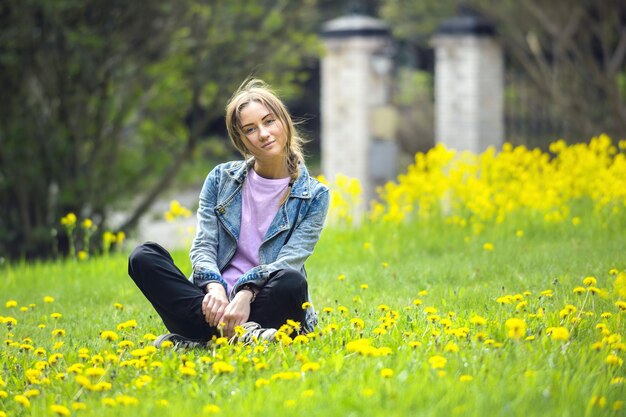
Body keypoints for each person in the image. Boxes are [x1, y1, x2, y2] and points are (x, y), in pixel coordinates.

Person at [128, 78, 329, 347]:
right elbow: (204, 245)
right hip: (211, 305)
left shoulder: (315, 195)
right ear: (241, 139)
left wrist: (245, 292)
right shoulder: (220, 179)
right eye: (250, 129)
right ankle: (239, 336)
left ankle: (200, 340)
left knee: (290, 282)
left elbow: (289, 260)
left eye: (269, 121)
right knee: (143, 257)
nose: (264, 134)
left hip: (263, 300)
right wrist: (215, 287)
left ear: (284, 122)